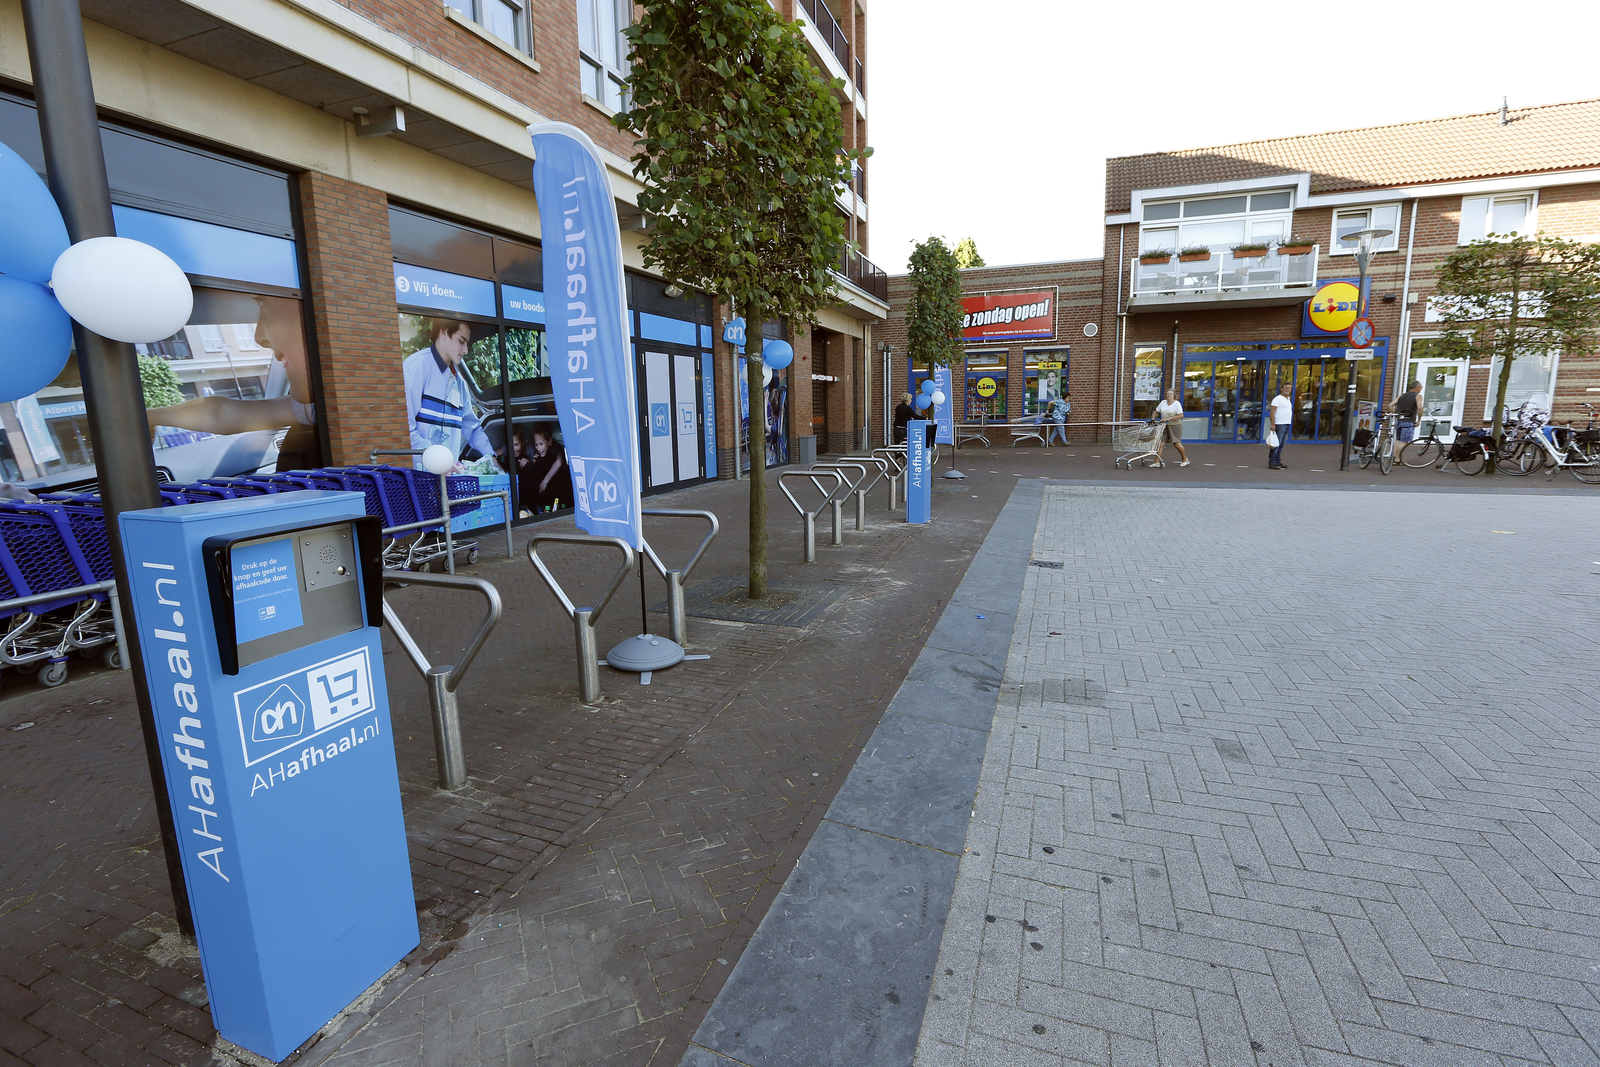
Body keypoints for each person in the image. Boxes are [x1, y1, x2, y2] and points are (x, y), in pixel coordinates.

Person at [144, 294, 321, 470]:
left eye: (265, 306)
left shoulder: (320, 408)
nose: (258, 337)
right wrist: (150, 417)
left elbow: (221, 414)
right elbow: (221, 414)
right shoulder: (316, 408)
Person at [402, 318, 500, 472]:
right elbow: (406, 431)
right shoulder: (416, 368)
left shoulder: (460, 384)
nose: (466, 350)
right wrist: (440, 461)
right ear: (444, 332)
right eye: (461, 341)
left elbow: (472, 429)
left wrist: (492, 459)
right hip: (420, 479)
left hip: (449, 480)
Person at [526, 422, 573, 512]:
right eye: (536, 445)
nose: (538, 448)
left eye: (541, 444)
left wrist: (544, 482)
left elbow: (559, 462)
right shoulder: (537, 453)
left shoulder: (556, 447)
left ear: (550, 441)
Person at [1155, 388, 1190, 466]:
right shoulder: (1163, 403)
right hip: (1164, 426)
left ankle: (1185, 459)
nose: (1168, 395)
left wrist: (1169, 418)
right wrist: (1153, 419)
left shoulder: (1176, 404)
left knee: (1176, 443)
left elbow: (1181, 415)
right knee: (1161, 444)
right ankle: (1156, 462)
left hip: (1175, 425)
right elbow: (1156, 412)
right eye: (1167, 394)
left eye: (1170, 394)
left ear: (1174, 395)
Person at [1267, 382, 1293, 469]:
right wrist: (1273, 424)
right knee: (1276, 444)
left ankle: (1277, 461)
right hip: (1279, 424)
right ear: (1282, 389)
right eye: (1285, 388)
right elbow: (1272, 411)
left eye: (1289, 388)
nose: (1287, 389)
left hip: (1286, 424)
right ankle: (1272, 462)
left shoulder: (1288, 399)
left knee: (1281, 444)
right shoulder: (1277, 399)